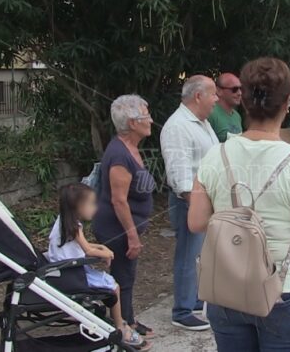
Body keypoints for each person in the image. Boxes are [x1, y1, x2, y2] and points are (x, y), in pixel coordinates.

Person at [188, 57, 290, 351]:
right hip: (285, 291)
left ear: (245, 101)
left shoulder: (216, 156)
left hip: (226, 289)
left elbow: (197, 222)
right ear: (287, 102)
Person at [49, 183, 152, 350]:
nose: (95, 208)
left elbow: (81, 245)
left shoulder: (63, 222)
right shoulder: (75, 226)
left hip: (64, 271)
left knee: (107, 281)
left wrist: (102, 247)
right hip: (73, 274)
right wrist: (107, 254)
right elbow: (87, 249)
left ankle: (114, 321)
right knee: (114, 286)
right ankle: (120, 325)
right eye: (91, 204)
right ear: (79, 206)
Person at [92, 95, 156, 339]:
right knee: (122, 277)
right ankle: (121, 327)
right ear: (132, 123)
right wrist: (132, 237)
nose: (150, 120)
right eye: (145, 116)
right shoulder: (120, 154)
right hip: (116, 229)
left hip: (124, 227)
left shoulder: (129, 147)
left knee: (126, 275)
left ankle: (128, 319)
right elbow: (118, 200)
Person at [160, 75, 219, 330]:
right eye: (213, 93)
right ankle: (182, 311)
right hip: (190, 201)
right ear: (198, 96)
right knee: (187, 253)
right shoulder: (178, 126)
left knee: (198, 253)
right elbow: (179, 173)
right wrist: (196, 203)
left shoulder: (201, 123)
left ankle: (193, 299)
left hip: (202, 200)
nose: (217, 99)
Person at [208, 73, 243, 142]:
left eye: (240, 89)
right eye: (234, 89)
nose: (239, 93)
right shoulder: (210, 113)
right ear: (219, 91)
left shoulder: (237, 116)